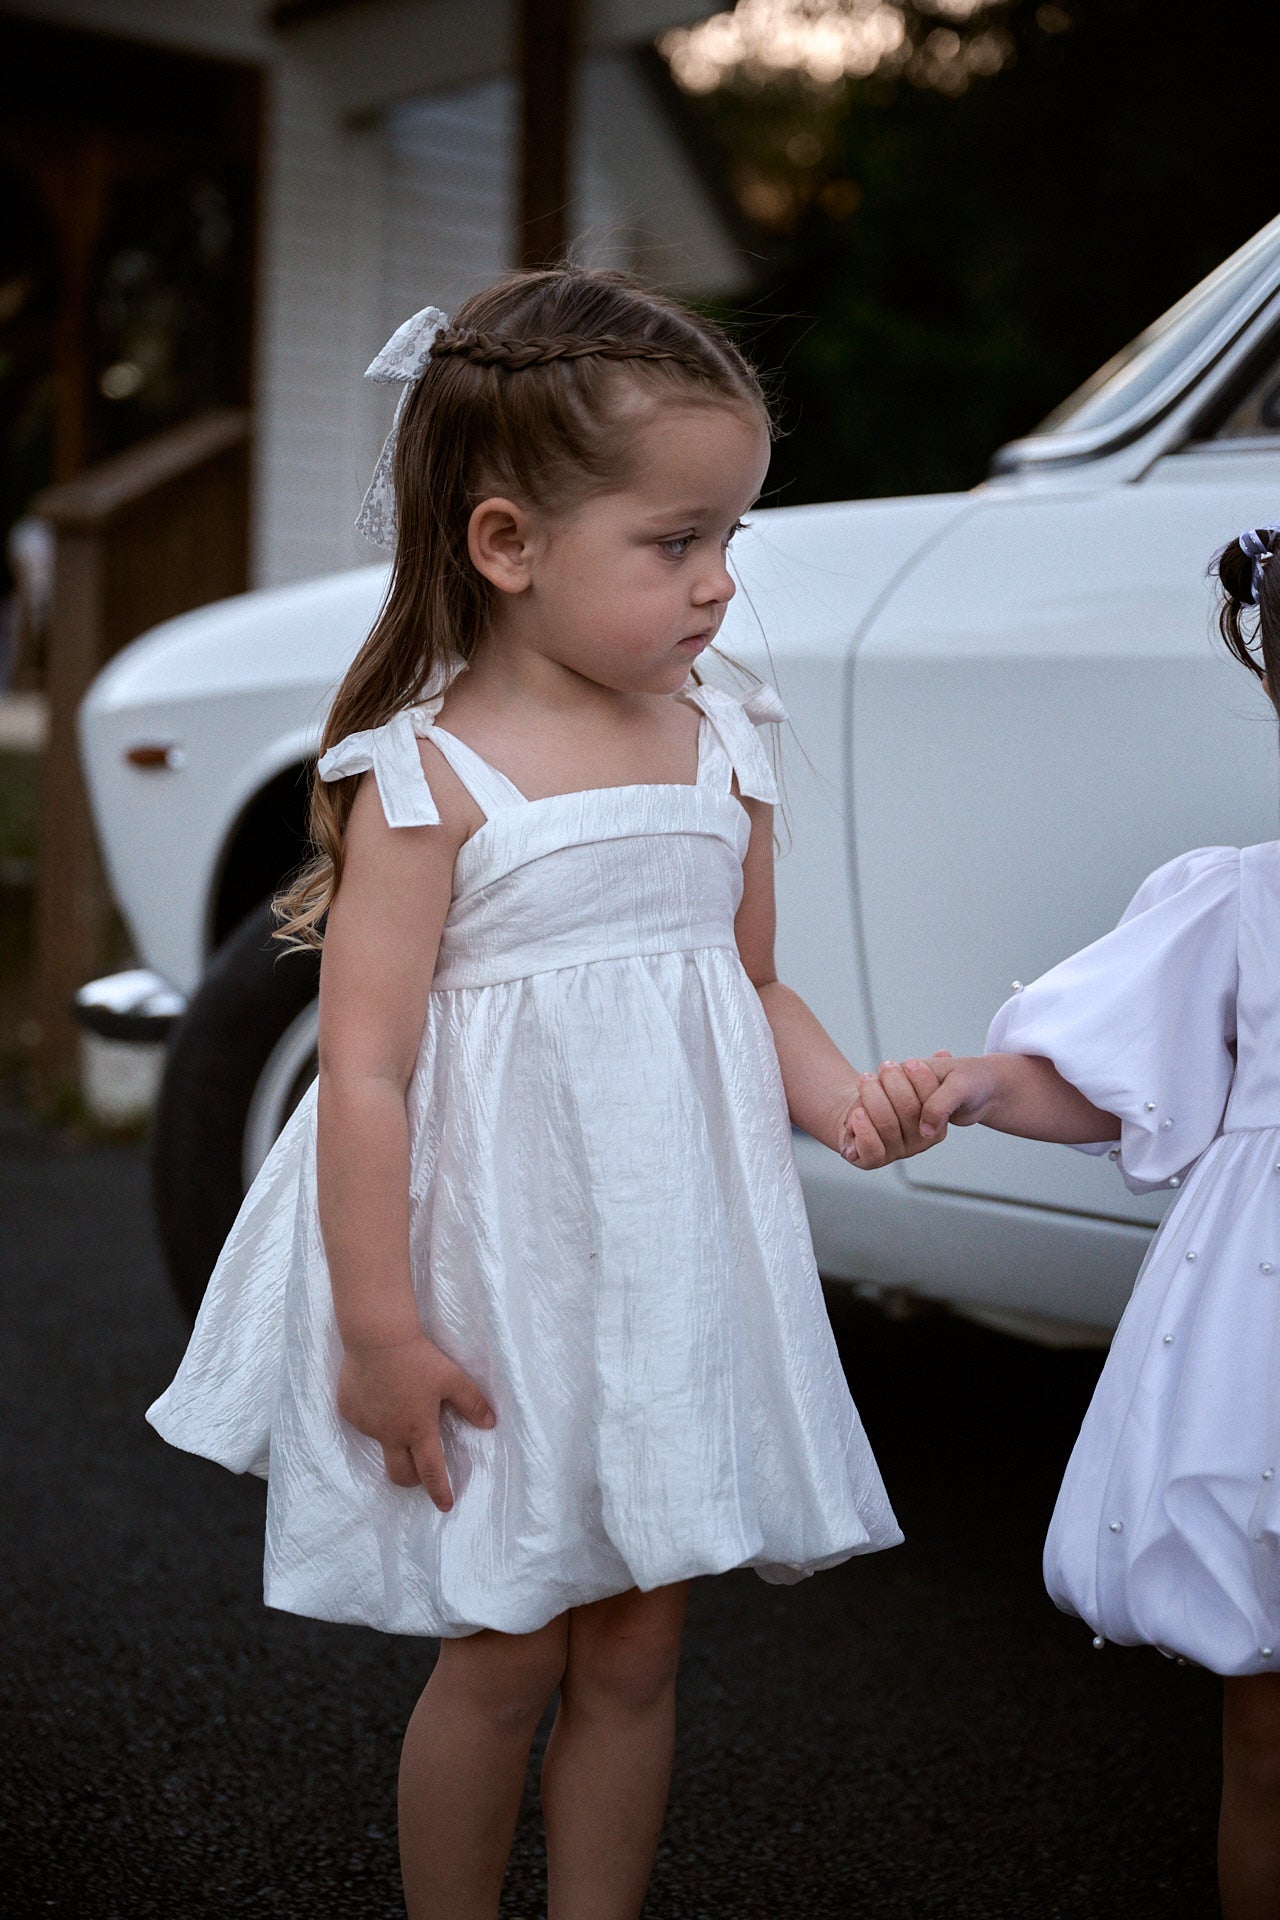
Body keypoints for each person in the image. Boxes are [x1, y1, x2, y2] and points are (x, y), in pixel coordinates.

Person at [146, 266, 930, 1920]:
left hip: (663, 1270)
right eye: (676, 543)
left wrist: (846, 1099)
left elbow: (751, 979)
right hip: (494, 1288)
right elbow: (360, 1070)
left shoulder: (727, 737)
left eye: (734, 540)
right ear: (506, 544)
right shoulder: (425, 779)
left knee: (641, 1641)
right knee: (507, 1648)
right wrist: (378, 1331)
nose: (721, 585)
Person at [852, 524, 1280, 1920]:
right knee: (1268, 1728)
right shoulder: (1246, 899)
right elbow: (1113, 1076)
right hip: (1262, 1346)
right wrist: (980, 1083)